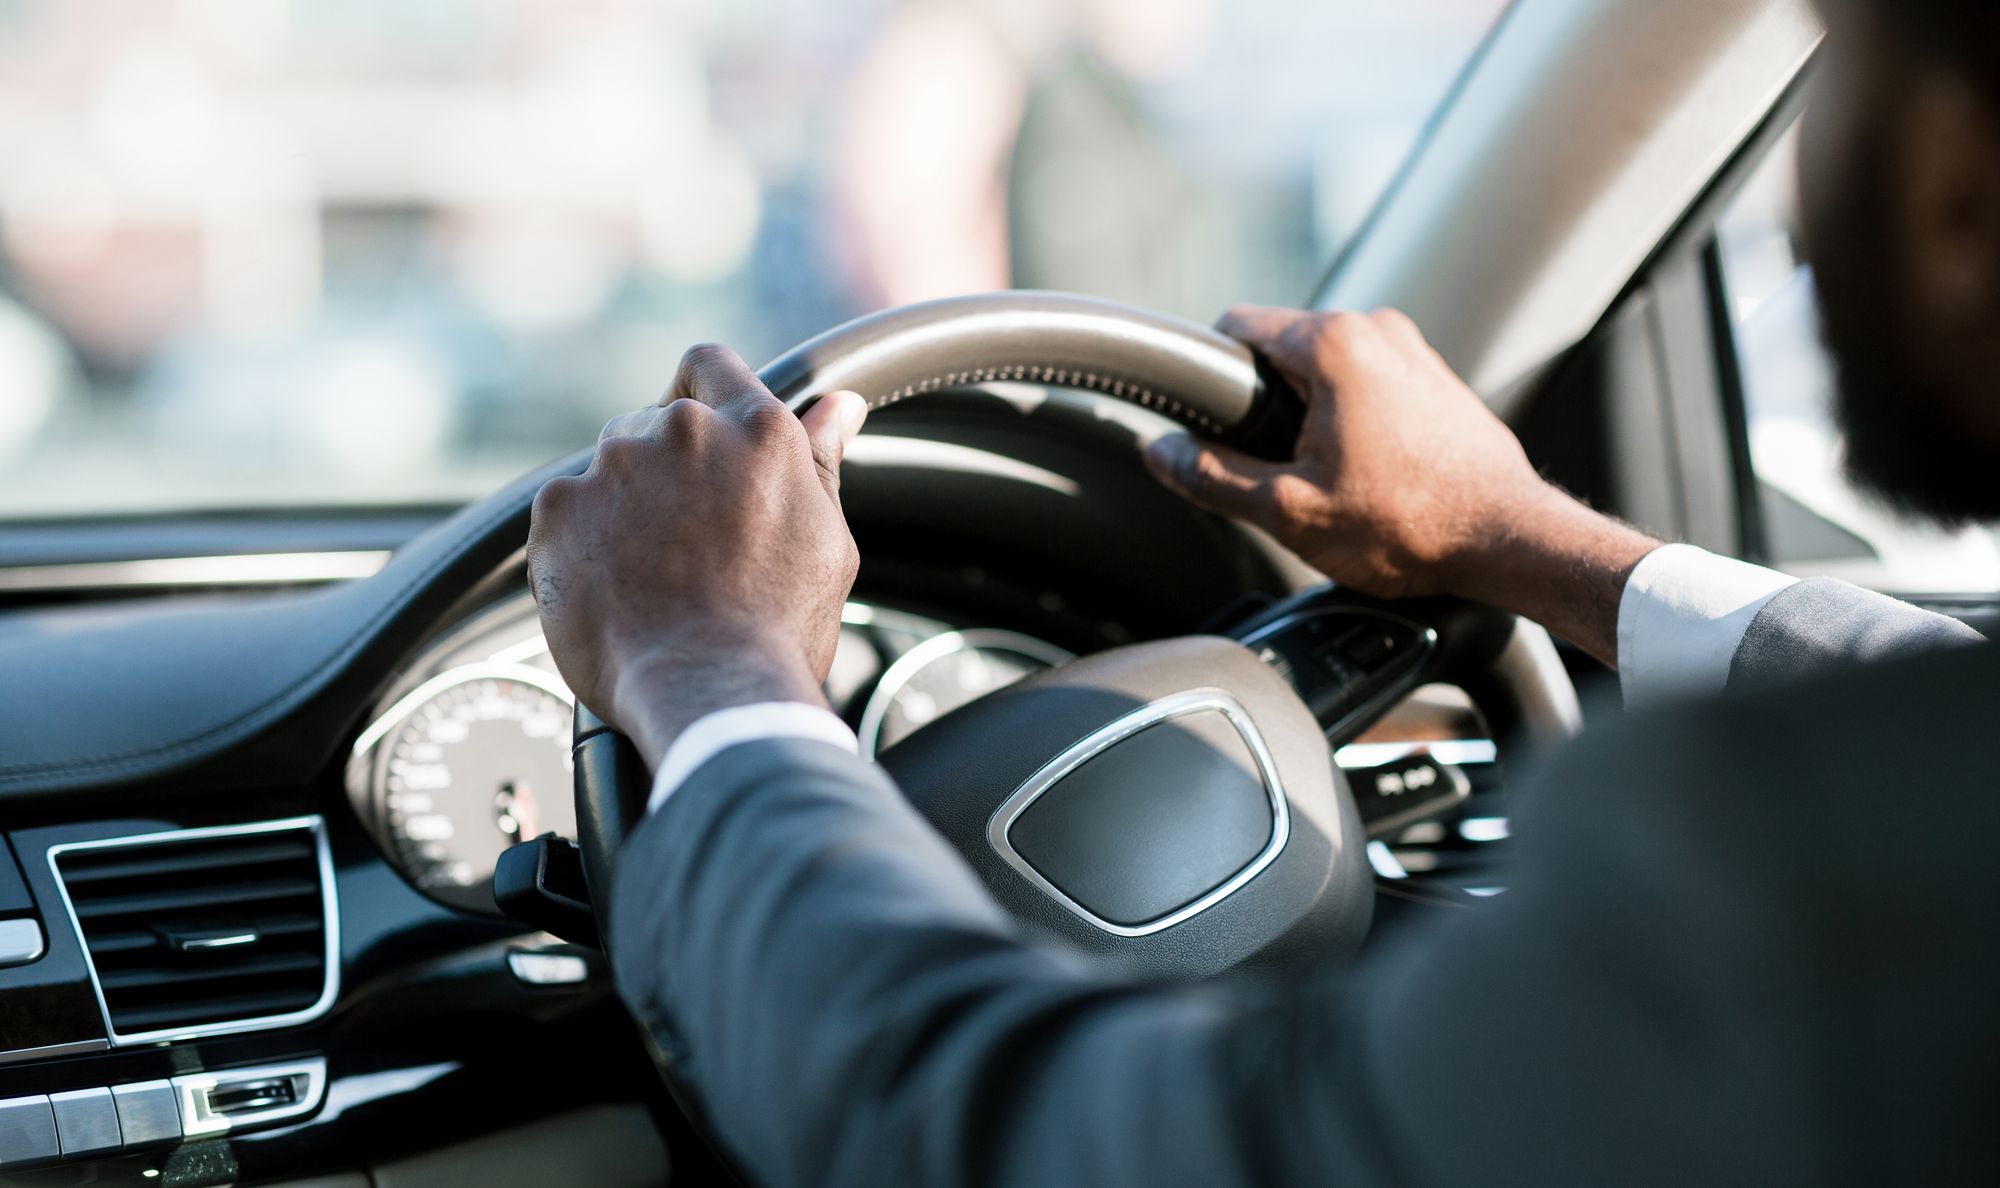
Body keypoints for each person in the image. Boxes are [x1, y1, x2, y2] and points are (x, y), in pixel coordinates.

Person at [523, 0, 2000, 1182]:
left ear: (1955, 189)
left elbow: (1009, 1135)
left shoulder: (1779, 888)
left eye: (1841, 63)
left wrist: (711, 668)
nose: (1796, 202)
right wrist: (1518, 539)